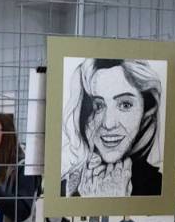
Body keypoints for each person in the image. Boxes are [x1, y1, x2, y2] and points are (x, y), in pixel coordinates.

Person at [61, 58, 163, 199]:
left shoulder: (158, 187)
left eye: (125, 105)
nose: (108, 124)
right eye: (98, 106)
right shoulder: (64, 185)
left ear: (146, 110)